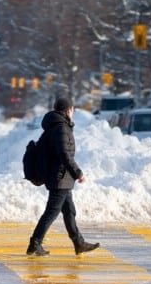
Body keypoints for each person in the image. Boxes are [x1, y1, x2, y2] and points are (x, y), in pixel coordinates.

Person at [26, 96, 100, 256]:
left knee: (69, 211)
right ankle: (35, 243)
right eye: (72, 109)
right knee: (52, 212)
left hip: (61, 177)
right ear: (68, 110)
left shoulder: (55, 126)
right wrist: (78, 173)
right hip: (59, 177)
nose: (73, 112)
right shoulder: (61, 128)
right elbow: (64, 155)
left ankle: (78, 243)